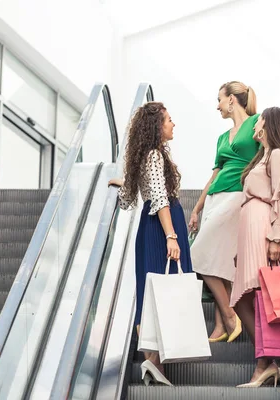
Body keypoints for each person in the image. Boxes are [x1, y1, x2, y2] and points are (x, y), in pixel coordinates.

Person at [189, 81, 280, 343]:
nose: (217, 105)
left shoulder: (255, 125)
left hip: (239, 195)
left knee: (200, 252)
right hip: (216, 196)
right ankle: (222, 325)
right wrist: (196, 207)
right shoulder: (221, 138)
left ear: (231, 100)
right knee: (218, 258)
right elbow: (214, 174)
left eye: (219, 99)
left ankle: (229, 315)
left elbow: (279, 153)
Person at [109, 102, 190, 387]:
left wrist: (124, 182)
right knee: (164, 288)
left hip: (149, 226)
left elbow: (129, 199)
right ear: (157, 126)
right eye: (168, 120)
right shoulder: (154, 155)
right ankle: (154, 362)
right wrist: (171, 236)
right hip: (161, 225)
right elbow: (160, 199)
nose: (173, 124)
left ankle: (152, 363)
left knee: (151, 289)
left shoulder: (144, 156)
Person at [232, 107, 280, 387]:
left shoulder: (276, 154)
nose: (254, 123)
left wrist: (276, 236)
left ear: (268, 124)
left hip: (264, 228)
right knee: (242, 298)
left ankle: (264, 364)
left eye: (259, 119)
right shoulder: (263, 155)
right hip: (249, 229)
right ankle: (267, 361)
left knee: (261, 295)